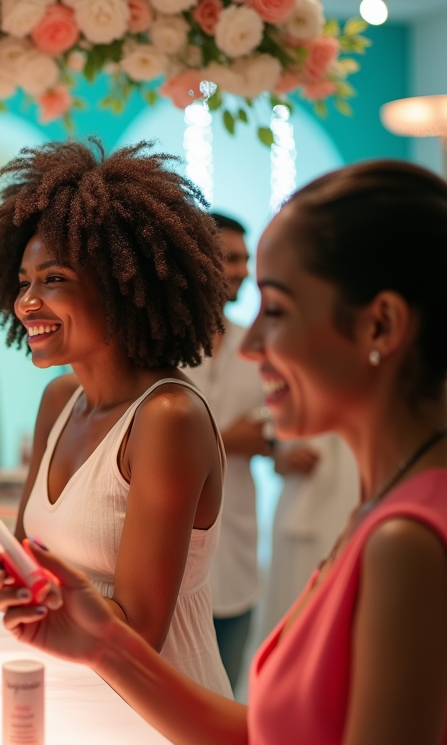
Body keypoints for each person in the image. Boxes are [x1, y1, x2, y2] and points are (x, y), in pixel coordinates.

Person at [0, 160, 447, 745]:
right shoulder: (390, 510)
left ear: (382, 325)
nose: (252, 342)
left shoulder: (407, 541)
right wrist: (106, 643)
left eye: (279, 309)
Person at [0, 140, 233, 694]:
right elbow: (26, 573)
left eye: (54, 279)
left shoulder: (168, 417)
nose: (26, 303)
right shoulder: (61, 399)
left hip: (160, 710)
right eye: (23, 282)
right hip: (78, 693)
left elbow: (139, 633)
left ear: (123, 286)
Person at [188, 212, 267, 691]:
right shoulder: (159, 345)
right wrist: (228, 440)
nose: (242, 270)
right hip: (177, 551)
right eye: (230, 258)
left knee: (229, 690)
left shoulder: (255, 345)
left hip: (238, 540)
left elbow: (270, 428)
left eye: (245, 259)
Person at [262, 431, 359, 637]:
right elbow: (275, 452)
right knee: (294, 609)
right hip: (304, 502)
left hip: (356, 493)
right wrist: (285, 459)